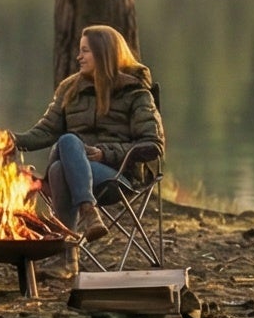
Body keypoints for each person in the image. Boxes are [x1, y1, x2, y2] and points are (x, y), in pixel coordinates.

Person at [16, 25, 165, 238]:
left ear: (104, 53)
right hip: (76, 173)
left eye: (85, 51)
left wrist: (105, 153)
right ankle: (88, 215)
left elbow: (153, 145)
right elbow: (45, 131)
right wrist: (11, 139)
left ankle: (67, 252)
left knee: (62, 157)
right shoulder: (70, 89)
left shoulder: (135, 93)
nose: (78, 57)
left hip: (117, 176)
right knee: (61, 162)